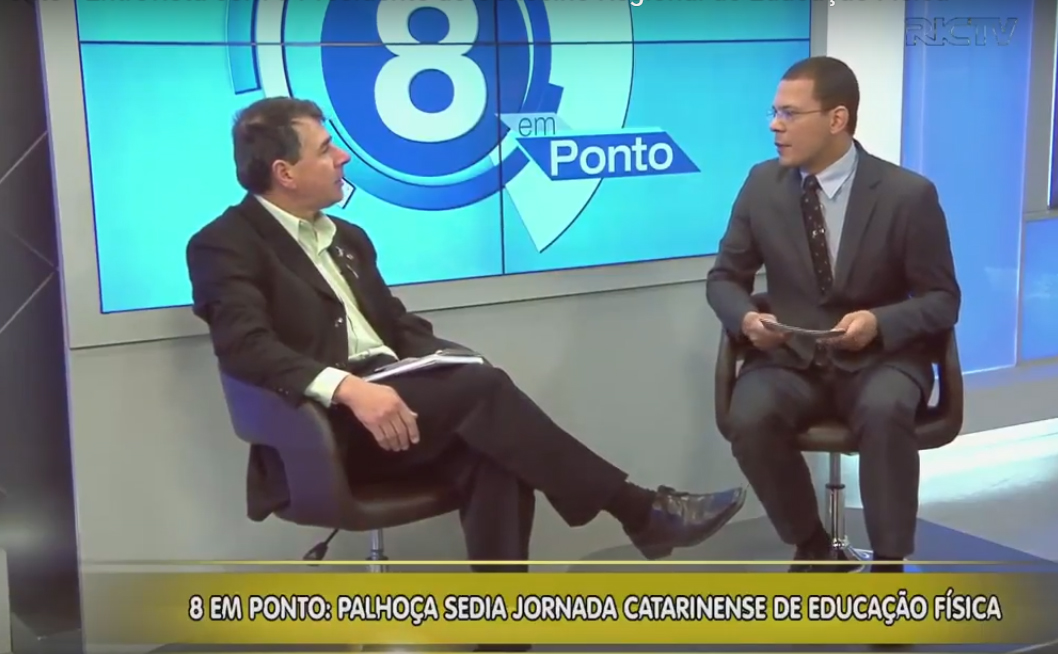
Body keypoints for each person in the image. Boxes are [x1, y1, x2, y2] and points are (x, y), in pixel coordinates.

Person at [187, 97, 746, 575]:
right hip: (326, 428)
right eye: (326, 149)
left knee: (495, 446)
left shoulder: (348, 237)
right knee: (484, 400)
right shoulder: (225, 244)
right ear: (285, 172)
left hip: (403, 405)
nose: (343, 158)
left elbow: (397, 326)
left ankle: (502, 637)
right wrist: (350, 389)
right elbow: (245, 348)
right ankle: (640, 510)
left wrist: (453, 364)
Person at [706, 57, 960, 573]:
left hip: (880, 360)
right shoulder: (761, 185)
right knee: (749, 417)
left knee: (886, 409)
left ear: (837, 119)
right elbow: (724, 279)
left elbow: (942, 299)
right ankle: (813, 545)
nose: (775, 126)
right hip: (790, 361)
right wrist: (748, 320)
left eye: (790, 113)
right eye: (774, 112)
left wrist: (879, 323)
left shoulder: (908, 196)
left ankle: (889, 562)